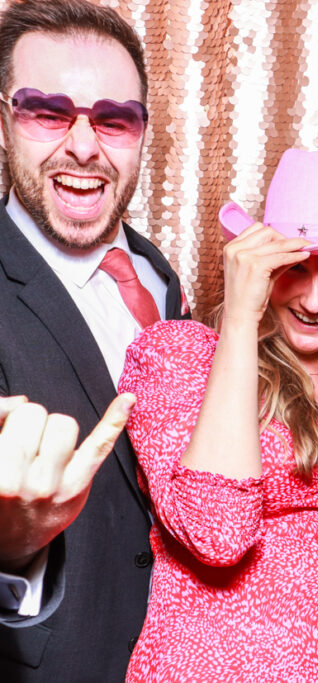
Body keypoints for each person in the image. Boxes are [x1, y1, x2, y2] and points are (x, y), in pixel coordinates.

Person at [117, 148, 318, 680]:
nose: (312, 298)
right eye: (293, 269)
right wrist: (241, 316)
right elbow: (216, 533)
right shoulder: (182, 356)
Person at [0, 1, 189, 679]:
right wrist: (13, 545)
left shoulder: (154, 273)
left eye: (113, 119)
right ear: (2, 121)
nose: (84, 146)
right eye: (48, 112)